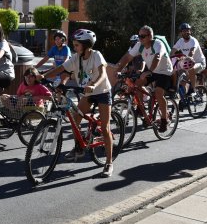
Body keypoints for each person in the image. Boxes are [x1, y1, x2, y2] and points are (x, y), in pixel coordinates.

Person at [39, 28, 114, 178]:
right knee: (75, 118)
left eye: (77, 44)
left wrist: (94, 85)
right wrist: (43, 76)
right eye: (74, 44)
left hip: (102, 92)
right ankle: (79, 147)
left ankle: (109, 163)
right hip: (87, 93)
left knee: (105, 128)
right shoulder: (75, 57)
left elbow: (102, 73)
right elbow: (61, 69)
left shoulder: (96, 55)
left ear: (86, 45)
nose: (74, 47)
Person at [111, 25, 173, 132]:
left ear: (150, 36)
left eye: (143, 36)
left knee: (158, 93)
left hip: (164, 72)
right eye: (139, 36)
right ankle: (141, 108)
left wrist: (149, 71)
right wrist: (118, 68)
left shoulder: (158, 44)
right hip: (152, 71)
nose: (140, 38)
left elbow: (157, 58)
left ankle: (164, 119)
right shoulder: (139, 45)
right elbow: (127, 57)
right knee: (136, 84)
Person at [172, 23, 206, 92]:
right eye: (184, 31)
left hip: (200, 62)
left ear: (190, 31)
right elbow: (173, 51)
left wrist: (188, 57)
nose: (186, 32)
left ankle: (193, 89)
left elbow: (192, 51)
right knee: (176, 72)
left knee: (191, 69)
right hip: (187, 63)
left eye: (188, 30)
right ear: (181, 32)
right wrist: (168, 57)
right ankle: (179, 90)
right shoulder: (180, 41)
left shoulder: (193, 40)